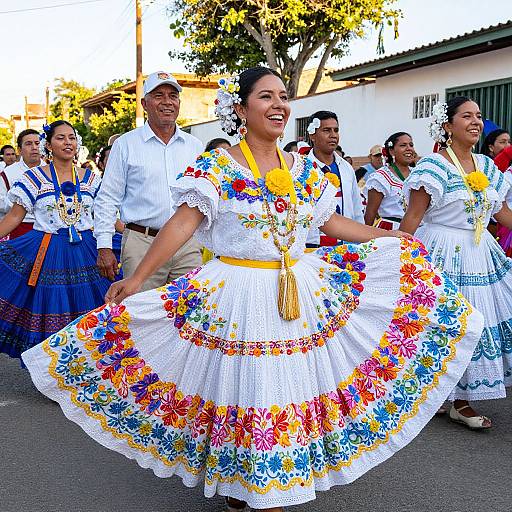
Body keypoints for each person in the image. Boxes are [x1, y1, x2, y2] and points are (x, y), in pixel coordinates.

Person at [22, 67, 483, 512]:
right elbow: (183, 223)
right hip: (236, 293)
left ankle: (261, 483)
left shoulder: (303, 168)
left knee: (279, 390)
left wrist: (385, 237)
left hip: (298, 289)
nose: (279, 105)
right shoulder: (217, 165)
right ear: (240, 110)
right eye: (266, 97)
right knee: (249, 390)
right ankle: (257, 486)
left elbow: (330, 222)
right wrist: (138, 278)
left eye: (283, 97)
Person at [401, 97, 512, 429]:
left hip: (481, 253)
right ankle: (441, 396)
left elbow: (500, 213)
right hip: (442, 250)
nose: (476, 121)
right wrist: (396, 259)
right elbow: (413, 218)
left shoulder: (488, 167)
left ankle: (460, 400)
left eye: (479, 116)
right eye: (467, 116)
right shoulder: (433, 167)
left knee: (477, 322)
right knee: (445, 321)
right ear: (448, 126)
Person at [0, 120, 111, 361]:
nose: (68, 142)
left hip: (86, 251)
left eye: (71, 137)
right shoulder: (34, 178)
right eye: (60, 138)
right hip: (48, 252)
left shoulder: (91, 179)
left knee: (92, 311)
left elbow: (105, 215)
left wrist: (133, 233)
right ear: (48, 144)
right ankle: (52, 371)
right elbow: (14, 217)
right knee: (53, 309)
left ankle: (84, 367)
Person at [94, 71, 203, 290]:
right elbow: (107, 198)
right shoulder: (125, 145)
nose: (167, 102)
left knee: (192, 311)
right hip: (142, 243)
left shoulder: (195, 146)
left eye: (173, 95)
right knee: (142, 314)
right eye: (159, 95)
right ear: (144, 103)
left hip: (187, 245)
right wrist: (104, 246)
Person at [305, 110, 363, 248]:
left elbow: (356, 209)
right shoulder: (303, 168)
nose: (333, 135)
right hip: (312, 245)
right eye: (326, 130)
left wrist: (359, 243)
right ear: (312, 135)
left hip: (346, 245)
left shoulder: (347, 168)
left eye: (336, 130)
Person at [364, 132, 415, 230]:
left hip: (417, 230)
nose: (409, 148)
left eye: (411, 145)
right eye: (403, 145)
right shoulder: (380, 178)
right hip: (391, 230)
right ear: (392, 151)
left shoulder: (418, 175)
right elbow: (371, 212)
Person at [0, 129, 42, 239]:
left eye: (37, 143)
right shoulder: (8, 173)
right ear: (19, 150)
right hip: (19, 228)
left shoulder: (53, 169)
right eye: (28, 144)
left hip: (49, 229)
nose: (34, 147)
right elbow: (2, 203)